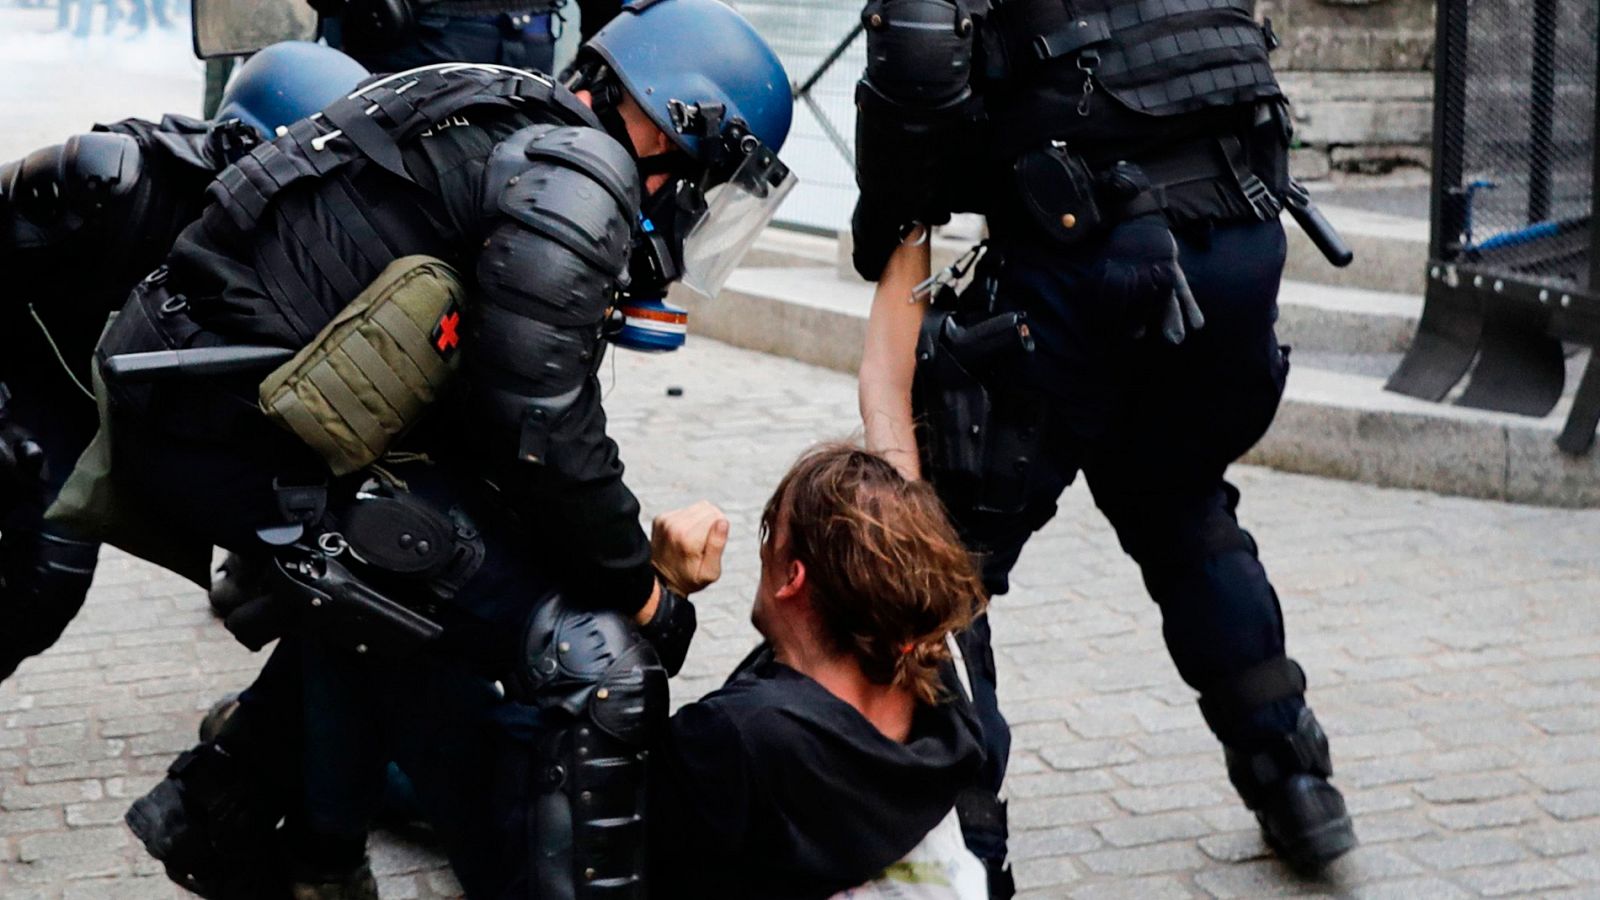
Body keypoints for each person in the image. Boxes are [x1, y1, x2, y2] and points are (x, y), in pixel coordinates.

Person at [94, 1, 794, 896]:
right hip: (236, 432)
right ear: (671, 121)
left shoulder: (526, 117)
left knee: (408, 611)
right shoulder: (581, 171)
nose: (699, 202)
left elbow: (504, 418)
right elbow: (541, 424)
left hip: (221, 403)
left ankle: (233, 816)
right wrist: (640, 587)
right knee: (589, 654)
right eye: (711, 175)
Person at [851, 0, 1356, 877]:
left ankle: (965, 851)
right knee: (1181, 504)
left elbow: (921, 53)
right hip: (1236, 242)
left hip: (1085, 257)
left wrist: (889, 221)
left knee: (947, 552)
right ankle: (1294, 780)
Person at [0, 42, 371, 686]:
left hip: (117, 411)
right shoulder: (112, 179)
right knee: (41, 582)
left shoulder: (319, 249)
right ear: (236, 144)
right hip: (29, 382)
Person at [648, 444, 988, 899]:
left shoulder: (738, 736)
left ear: (793, 578)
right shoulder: (941, 697)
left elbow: (611, 808)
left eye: (770, 533)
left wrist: (662, 589)